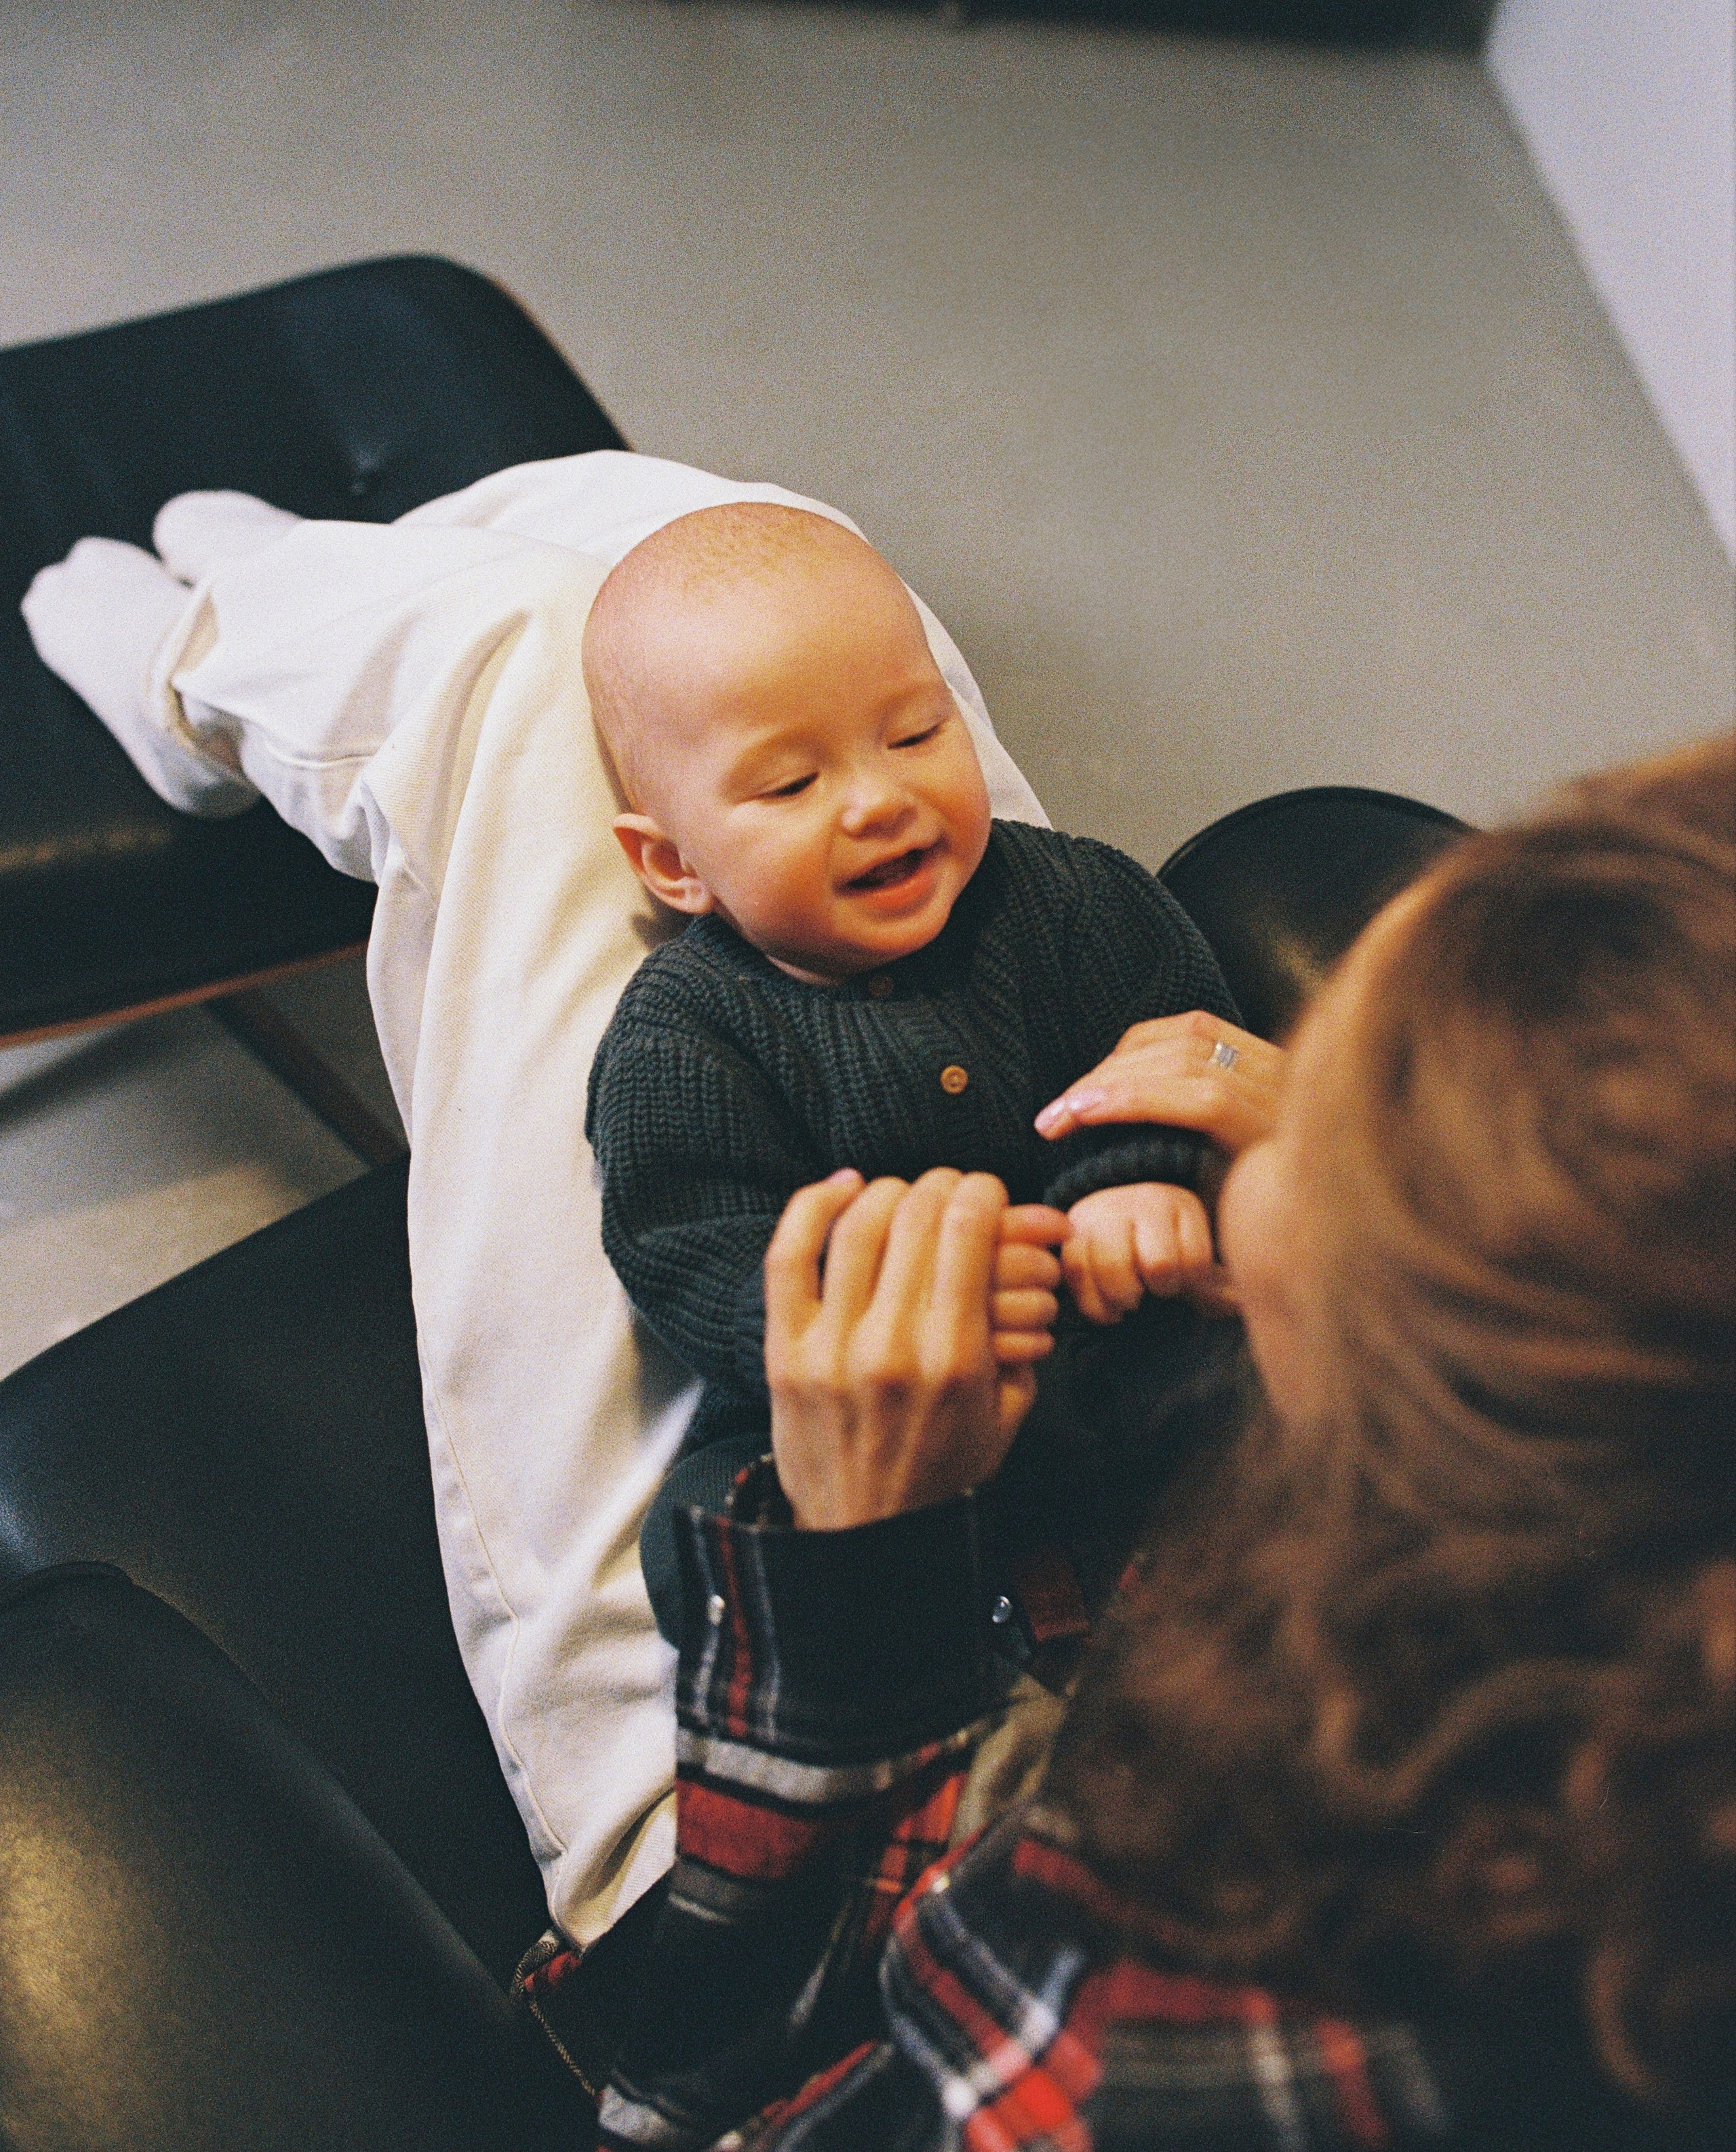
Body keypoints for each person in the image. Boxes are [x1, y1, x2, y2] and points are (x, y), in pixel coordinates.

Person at [526, 733, 1735, 2151]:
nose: (1260, 1102)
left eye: (1327, 1118)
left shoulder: (1200, 2025)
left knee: (516, 646)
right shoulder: (1595, 1596)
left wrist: (857, 1582)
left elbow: (697, 2117)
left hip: (859, 1823)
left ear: (1436, 1369)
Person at [20, 451, 1047, 1953]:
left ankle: (203, 658)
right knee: (771, 566)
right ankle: (301, 570)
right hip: (1135, 1510)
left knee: (516, 657)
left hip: (754, 1776)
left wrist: (860, 1538)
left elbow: (747, 2022)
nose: (883, 795)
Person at [580, 503, 1244, 1625]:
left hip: (1126, 1334)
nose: (880, 798)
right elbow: (681, 1239)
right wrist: (851, 1320)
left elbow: (1178, 1040)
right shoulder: (682, 1036)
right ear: (675, 865)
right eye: (791, 786)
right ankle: (953, 1637)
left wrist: (1136, 1177)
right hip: (869, 1417)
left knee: (1276, 1360)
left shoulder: (1071, 897)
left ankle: (1182, 1586)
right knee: (700, 1537)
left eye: (916, 734)